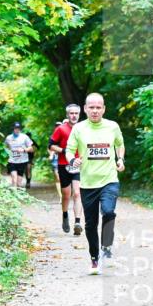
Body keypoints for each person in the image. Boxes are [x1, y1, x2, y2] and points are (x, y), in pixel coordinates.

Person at [65, 93, 124, 273]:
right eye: (91, 107)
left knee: (108, 212)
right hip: (88, 183)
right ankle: (94, 259)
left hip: (109, 180)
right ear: (85, 109)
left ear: (104, 109)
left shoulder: (112, 126)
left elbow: (120, 144)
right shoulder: (79, 129)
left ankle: (107, 249)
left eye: (98, 107)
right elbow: (69, 150)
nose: (95, 110)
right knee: (90, 224)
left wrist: (120, 159)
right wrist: (72, 161)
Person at [50, 104, 84, 236]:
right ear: (67, 115)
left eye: (76, 113)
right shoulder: (61, 129)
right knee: (66, 195)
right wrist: (64, 151)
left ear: (79, 115)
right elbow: (51, 145)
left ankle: (77, 222)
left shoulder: (84, 128)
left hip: (78, 164)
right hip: (64, 164)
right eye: (71, 113)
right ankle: (65, 215)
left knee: (77, 193)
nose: (74, 115)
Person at [4, 122, 33, 188]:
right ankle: (14, 196)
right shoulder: (8, 138)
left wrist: (24, 150)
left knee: (19, 183)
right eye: (16, 128)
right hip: (12, 161)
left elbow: (31, 148)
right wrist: (7, 152)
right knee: (14, 179)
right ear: (13, 129)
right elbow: (4, 147)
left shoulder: (24, 137)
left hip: (22, 161)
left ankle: (17, 195)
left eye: (18, 128)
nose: (17, 130)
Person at [49, 121, 63, 200]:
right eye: (56, 126)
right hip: (55, 160)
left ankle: (65, 193)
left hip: (65, 159)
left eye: (59, 126)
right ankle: (61, 196)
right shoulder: (52, 137)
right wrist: (51, 154)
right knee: (58, 177)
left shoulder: (65, 135)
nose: (57, 127)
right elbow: (49, 147)